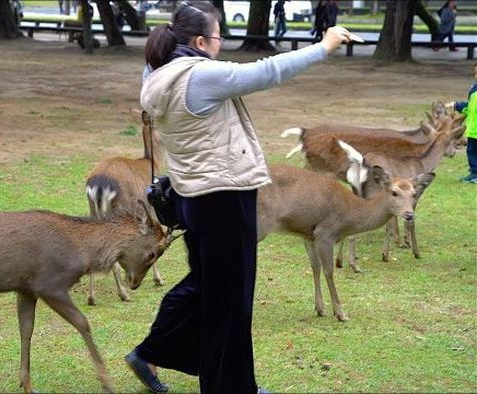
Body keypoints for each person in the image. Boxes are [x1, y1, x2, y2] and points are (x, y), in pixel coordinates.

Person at [124, 2, 353, 393]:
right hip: (224, 200)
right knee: (230, 299)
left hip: (192, 197)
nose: (221, 44)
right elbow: (268, 70)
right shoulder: (199, 76)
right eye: (217, 37)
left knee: (207, 286)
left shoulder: (156, 74)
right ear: (198, 42)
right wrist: (324, 45)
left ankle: (153, 352)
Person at [450, 64, 477, 183]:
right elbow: (470, 107)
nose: (476, 76)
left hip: (475, 129)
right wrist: (457, 105)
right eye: (475, 73)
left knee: (472, 151)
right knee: (472, 150)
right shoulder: (474, 90)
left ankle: (475, 173)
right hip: (473, 129)